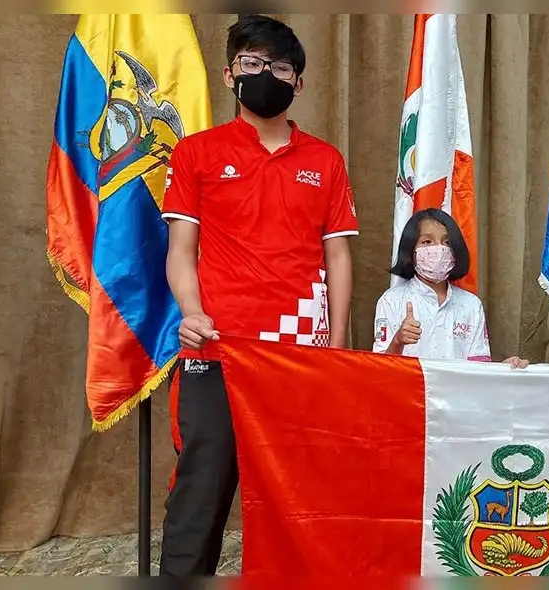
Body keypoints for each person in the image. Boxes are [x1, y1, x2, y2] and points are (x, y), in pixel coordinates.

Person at [159, 15, 359, 576]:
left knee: (298, 494)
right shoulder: (197, 152)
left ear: (298, 82)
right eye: (251, 63)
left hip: (300, 354)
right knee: (202, 487)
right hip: (218, 348)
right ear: (229, 74)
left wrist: (337, 346)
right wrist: (192, 312)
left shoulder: (325, 161)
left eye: (279, 66)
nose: (265, 74)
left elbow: (338, 255)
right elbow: (181, 249)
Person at [373, 208, 527, 368]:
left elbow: (479, 372)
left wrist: (504, 369)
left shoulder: (471, 305)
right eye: (427, 242)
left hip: (458, 393)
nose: (439, 249)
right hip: (411, 391)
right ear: (411, 249)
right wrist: (398, 340)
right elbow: (379, 370)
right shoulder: (391, 301)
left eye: (447, 242)